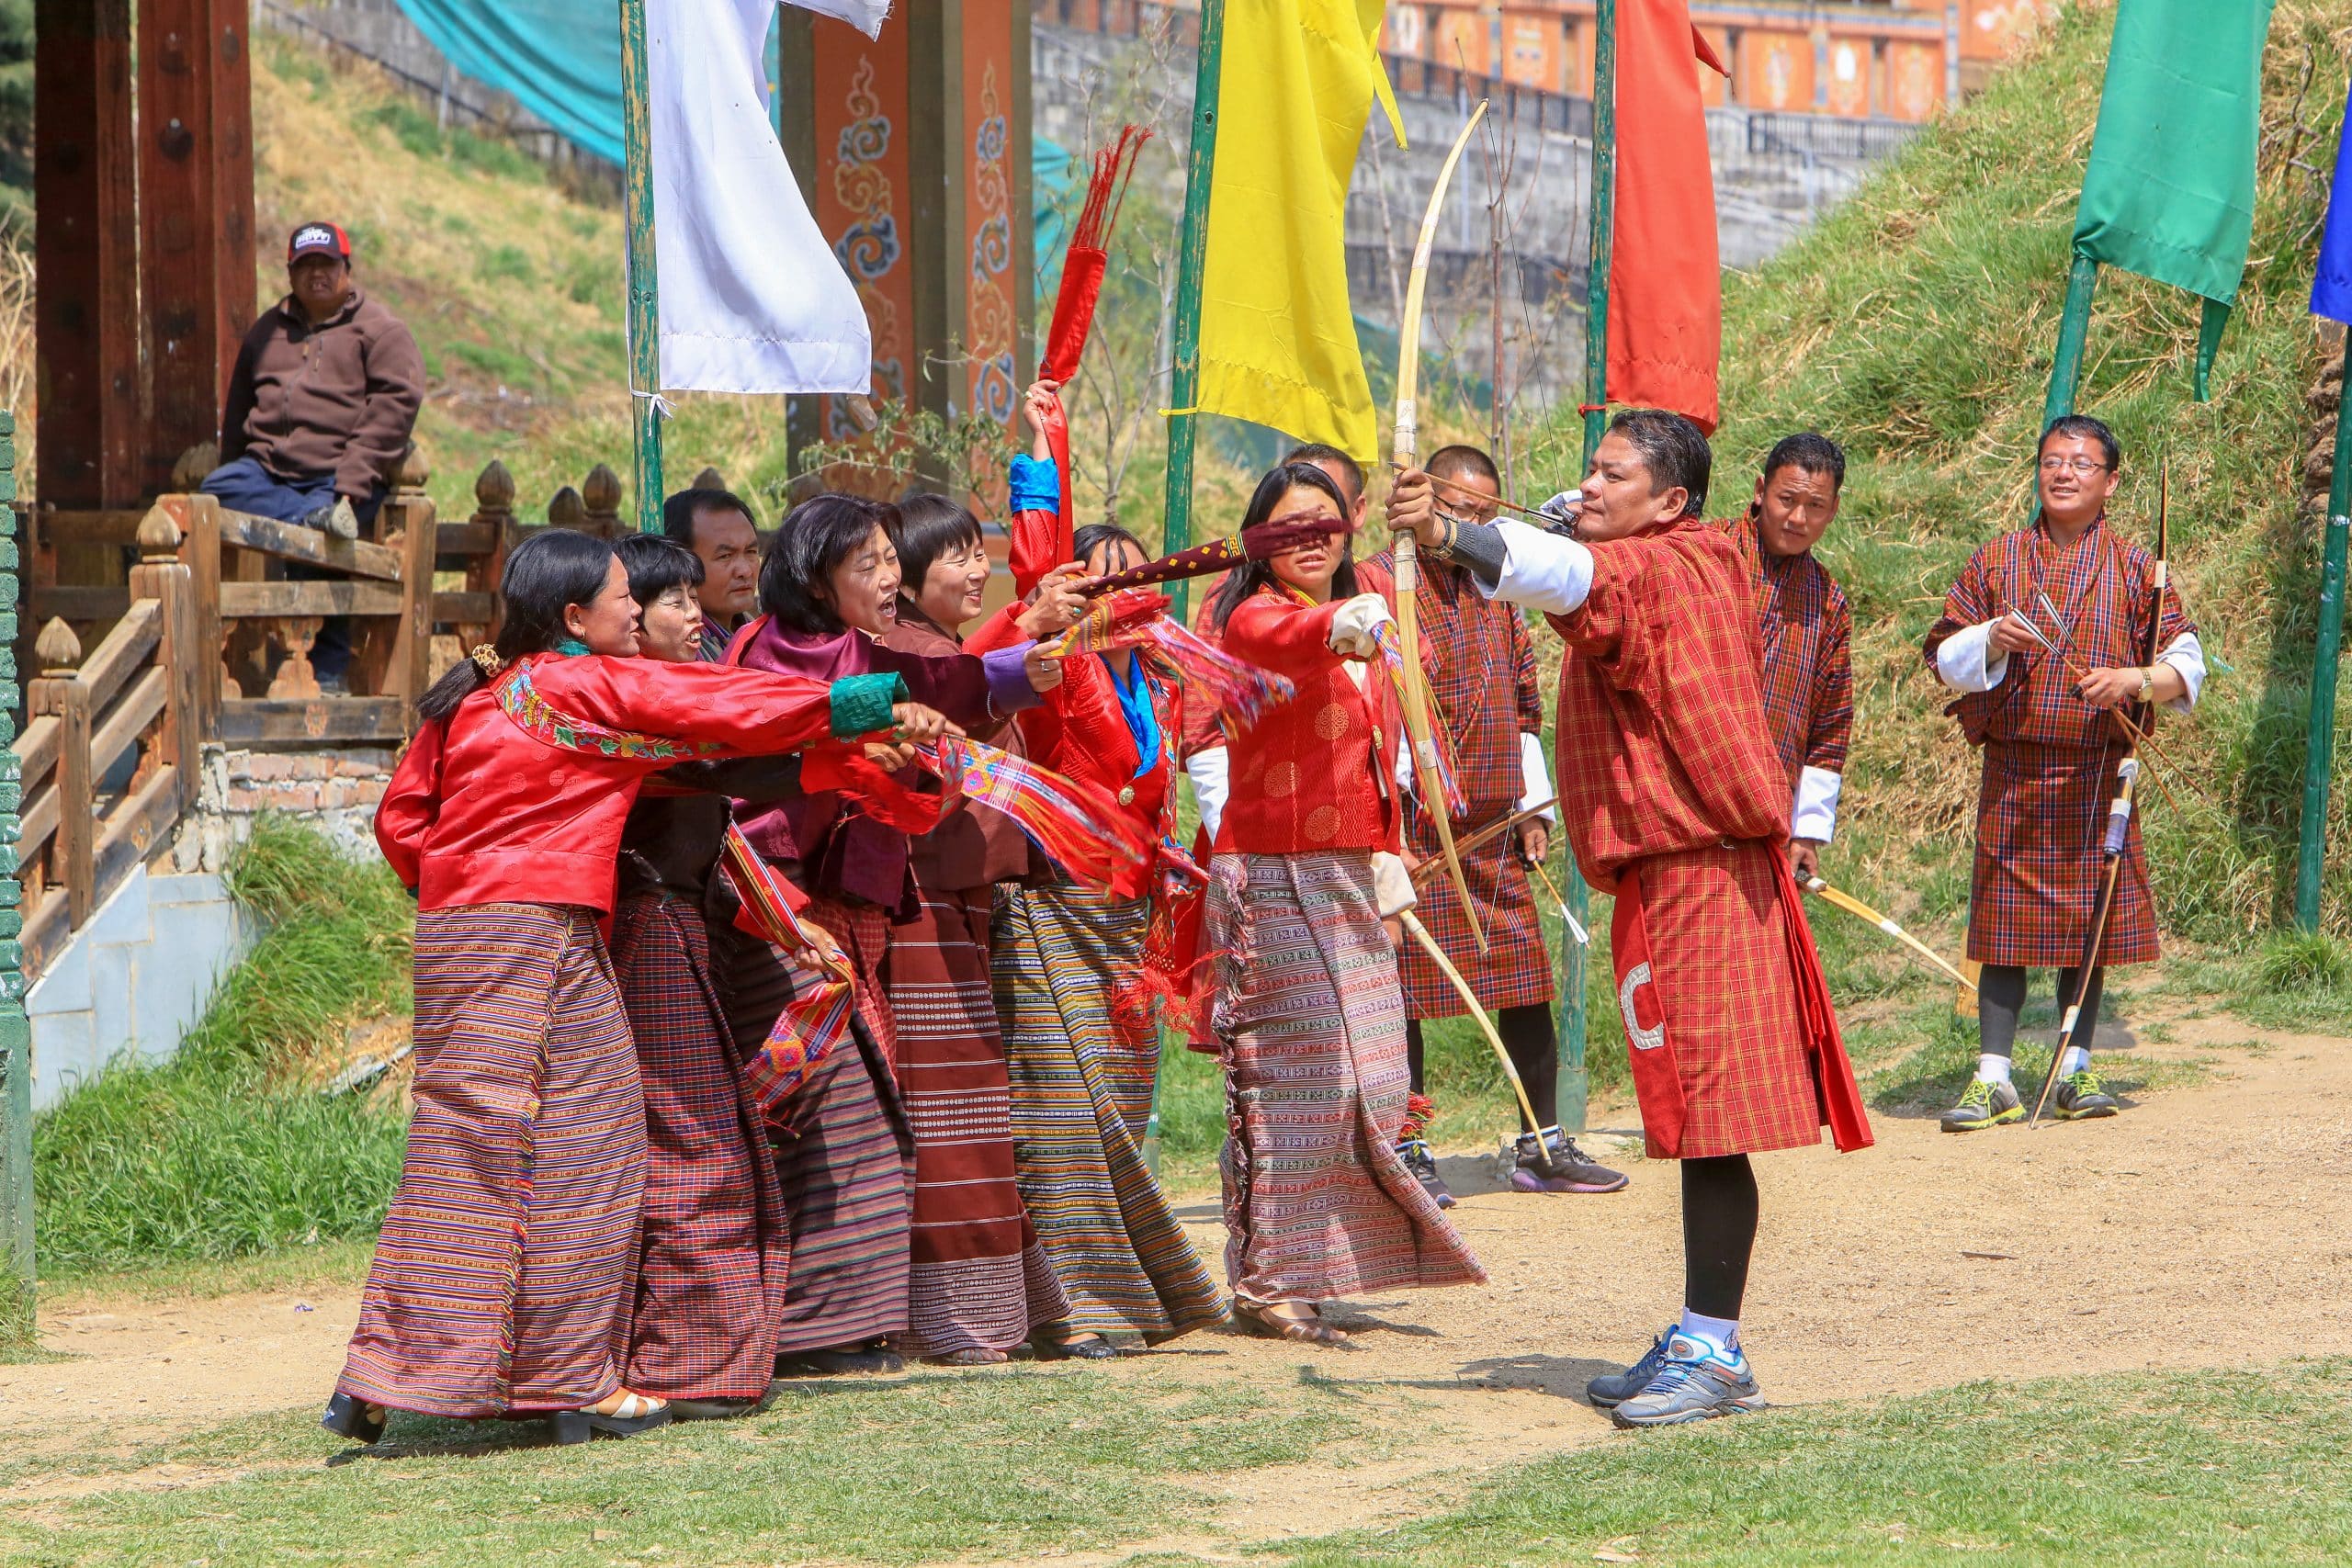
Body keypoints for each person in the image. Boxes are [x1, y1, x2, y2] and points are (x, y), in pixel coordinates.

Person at [322, 527, 944, 1448]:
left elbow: (406, 820)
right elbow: (716, 702)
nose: (643, 610)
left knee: (467, 1155)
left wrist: (464, 886)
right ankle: (573, 1382)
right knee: (593, 1147)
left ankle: (386, 1375)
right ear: (578, 617)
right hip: (537, 935)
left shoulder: (489, 695)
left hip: (466, 937)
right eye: (627, 595)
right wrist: (870, 697)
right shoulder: (577, 683)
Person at [1388, 409, 1870, 1427]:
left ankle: (1716, 1348)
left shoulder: (1666, 569)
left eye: (1613, 475)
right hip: (1674, 876)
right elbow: (1569, 556)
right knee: (1697, 1121)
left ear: (1672, 501)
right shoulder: (1672, 553)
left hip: (1705, 875)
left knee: (1715, 1123)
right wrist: (1558, 515)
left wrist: (1446, 535)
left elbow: (1567, 577)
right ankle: (1702, 1331)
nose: (1588, 487)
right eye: (1586, 474)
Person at [721, 493, 1063, 1375]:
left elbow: (947, 685)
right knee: (829, 1117)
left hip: (855, 916)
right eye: (866, 564)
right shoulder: (764, 650)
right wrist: (884, 709)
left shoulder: (869, 653)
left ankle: (845, 1325)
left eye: (887, 560)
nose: (886, 577)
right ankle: (808, 1331)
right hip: (783, 911)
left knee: (865, 1119)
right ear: (814, 577)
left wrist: (1032, 667)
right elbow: (804, 713)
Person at [1202, 460, 1485, 1348]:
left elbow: (1380, 733)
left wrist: (1389, 843)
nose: (1311, 538)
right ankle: (1270, 1280)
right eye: (1289, 526)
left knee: (1373, 1078)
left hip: (1348, 870)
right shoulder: (1249, 616)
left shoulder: (1370, 603)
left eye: (1327, 521)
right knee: (1294, 1082)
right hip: (1273, 875)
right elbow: (1303, 637)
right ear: (1258, 540)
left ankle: (1313, 1264)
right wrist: (1350, 620)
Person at [991, 389, 1229, 1355]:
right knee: (1058, 1105)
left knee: (1121, 1108)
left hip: (1130, 926)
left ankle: (1145, 1290)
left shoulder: (1159, 688)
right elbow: (1037, 567)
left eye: (1141, 580)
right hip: (1052, 911)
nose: (1126, 595)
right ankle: (1073, 1306)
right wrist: (1043, 453)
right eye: (1102, 581)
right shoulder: (1060, 668)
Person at [1923, 414, 2200, 1133]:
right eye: (2051, 460)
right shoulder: (1998, 559)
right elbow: (1941, 653)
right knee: (2002, 929)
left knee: (2090, 920)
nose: (2063, 473)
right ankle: (1994, 1078)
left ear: (2110, 480)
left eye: (2080, 463)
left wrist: (2134, 680)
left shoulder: (2140, 568)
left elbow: (2187, 665)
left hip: (2097, 771)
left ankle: (2075, 1067)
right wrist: (1990, 636)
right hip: (2014, 770)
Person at [1366, 443, 1624, 1203]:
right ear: (1422, 499)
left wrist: (1530, 805)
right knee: (1403, 988)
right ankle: (1406, 1150)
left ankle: (1540, 1144)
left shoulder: (1499, 588)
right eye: (1457, 511)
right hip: (1414, 832)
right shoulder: (1381, 584)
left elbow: (1520, 702)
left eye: (1485, 514)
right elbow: (1369, 710)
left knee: (1525, 979)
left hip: (1492, 824)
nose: (1472, 525)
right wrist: (1388, 825)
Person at [875, 494, 1083, 1364]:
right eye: (951, 557)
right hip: (921, 900)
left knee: (971, 1102)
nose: (972, 569)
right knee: (946, 1105)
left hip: (961, 898)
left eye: (976, 552)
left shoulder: (941, 653)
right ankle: (951, 1317)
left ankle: (991, 1309)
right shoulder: (904, 658)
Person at [605, 534, 800, 1417]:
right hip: (647, 934)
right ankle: (682, 1364)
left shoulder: (675, 697)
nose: (698, 618)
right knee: (690, 1142)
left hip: (679, 928)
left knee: (696, 1137)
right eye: (675, 601)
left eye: (696, 598)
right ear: (623, 620)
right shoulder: (626, 708)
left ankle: (691, 1356)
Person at [202, 221, 426, 691]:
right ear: (290, 273)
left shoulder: (381, 331)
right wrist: (234, 463)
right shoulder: (269, 330)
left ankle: (326, 675)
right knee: (212, 495)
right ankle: (312, 518)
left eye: (327, 265)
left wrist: (352, 483)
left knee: (324, 551)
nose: (316, 275)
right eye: (305, 266)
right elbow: (240, 405)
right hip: (269, 474)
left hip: (337, 474)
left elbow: (394, 407)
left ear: (347, 270)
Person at [1721, 434, 1853, 888]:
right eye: (1786, 499)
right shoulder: (1704, 555)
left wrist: (1808, 829)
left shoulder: (1828, 600)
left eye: (1815, 506)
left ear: (1833, 509)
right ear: (1760, 491)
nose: (1798, 519)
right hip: (1684, 799)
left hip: (1769, 810)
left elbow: (1831, 723)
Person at [664, 486, 764, 661]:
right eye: (725, 556)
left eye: (750, 552)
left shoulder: (754, 631)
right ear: (680, 561)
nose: (746, 571)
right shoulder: (680, 650)